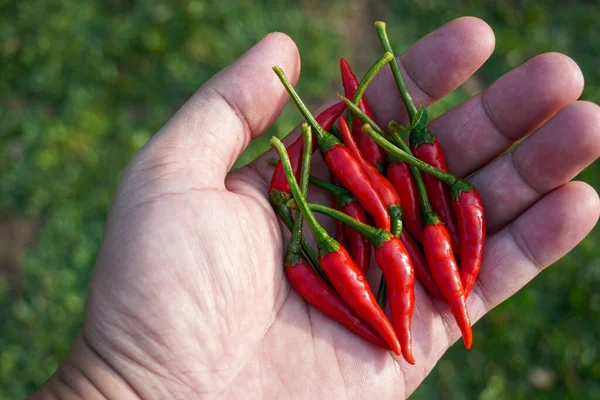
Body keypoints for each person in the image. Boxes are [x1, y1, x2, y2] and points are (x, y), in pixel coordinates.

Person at [32, 17, 599, 399]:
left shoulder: (400, 194)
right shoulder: (366, 217)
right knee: (391, 238)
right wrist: (125, 378)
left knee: (399, 233)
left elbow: (394, 231)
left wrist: (117, 383)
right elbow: (385, 234)